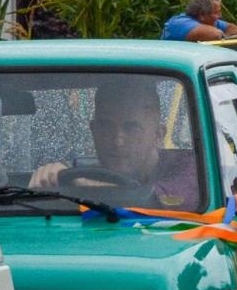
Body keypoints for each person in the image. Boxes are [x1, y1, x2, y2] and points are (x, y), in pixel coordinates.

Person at [30, 86, 199, 208]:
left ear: (158, 135)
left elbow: (157, 199)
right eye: (105, 126)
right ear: (93, 131)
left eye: (132, 128)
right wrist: (48, 177)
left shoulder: (193, 168)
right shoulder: (82, 175)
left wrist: (79, 185)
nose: (117, 141)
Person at [161, 0, 237, 41]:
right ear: (202, 14)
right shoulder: (178, 23)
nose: (220, 16)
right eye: (216, 12)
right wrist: (225, 38)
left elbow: (235, 29)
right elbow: (215, 35)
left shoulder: (209, 21)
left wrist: (225, 37)